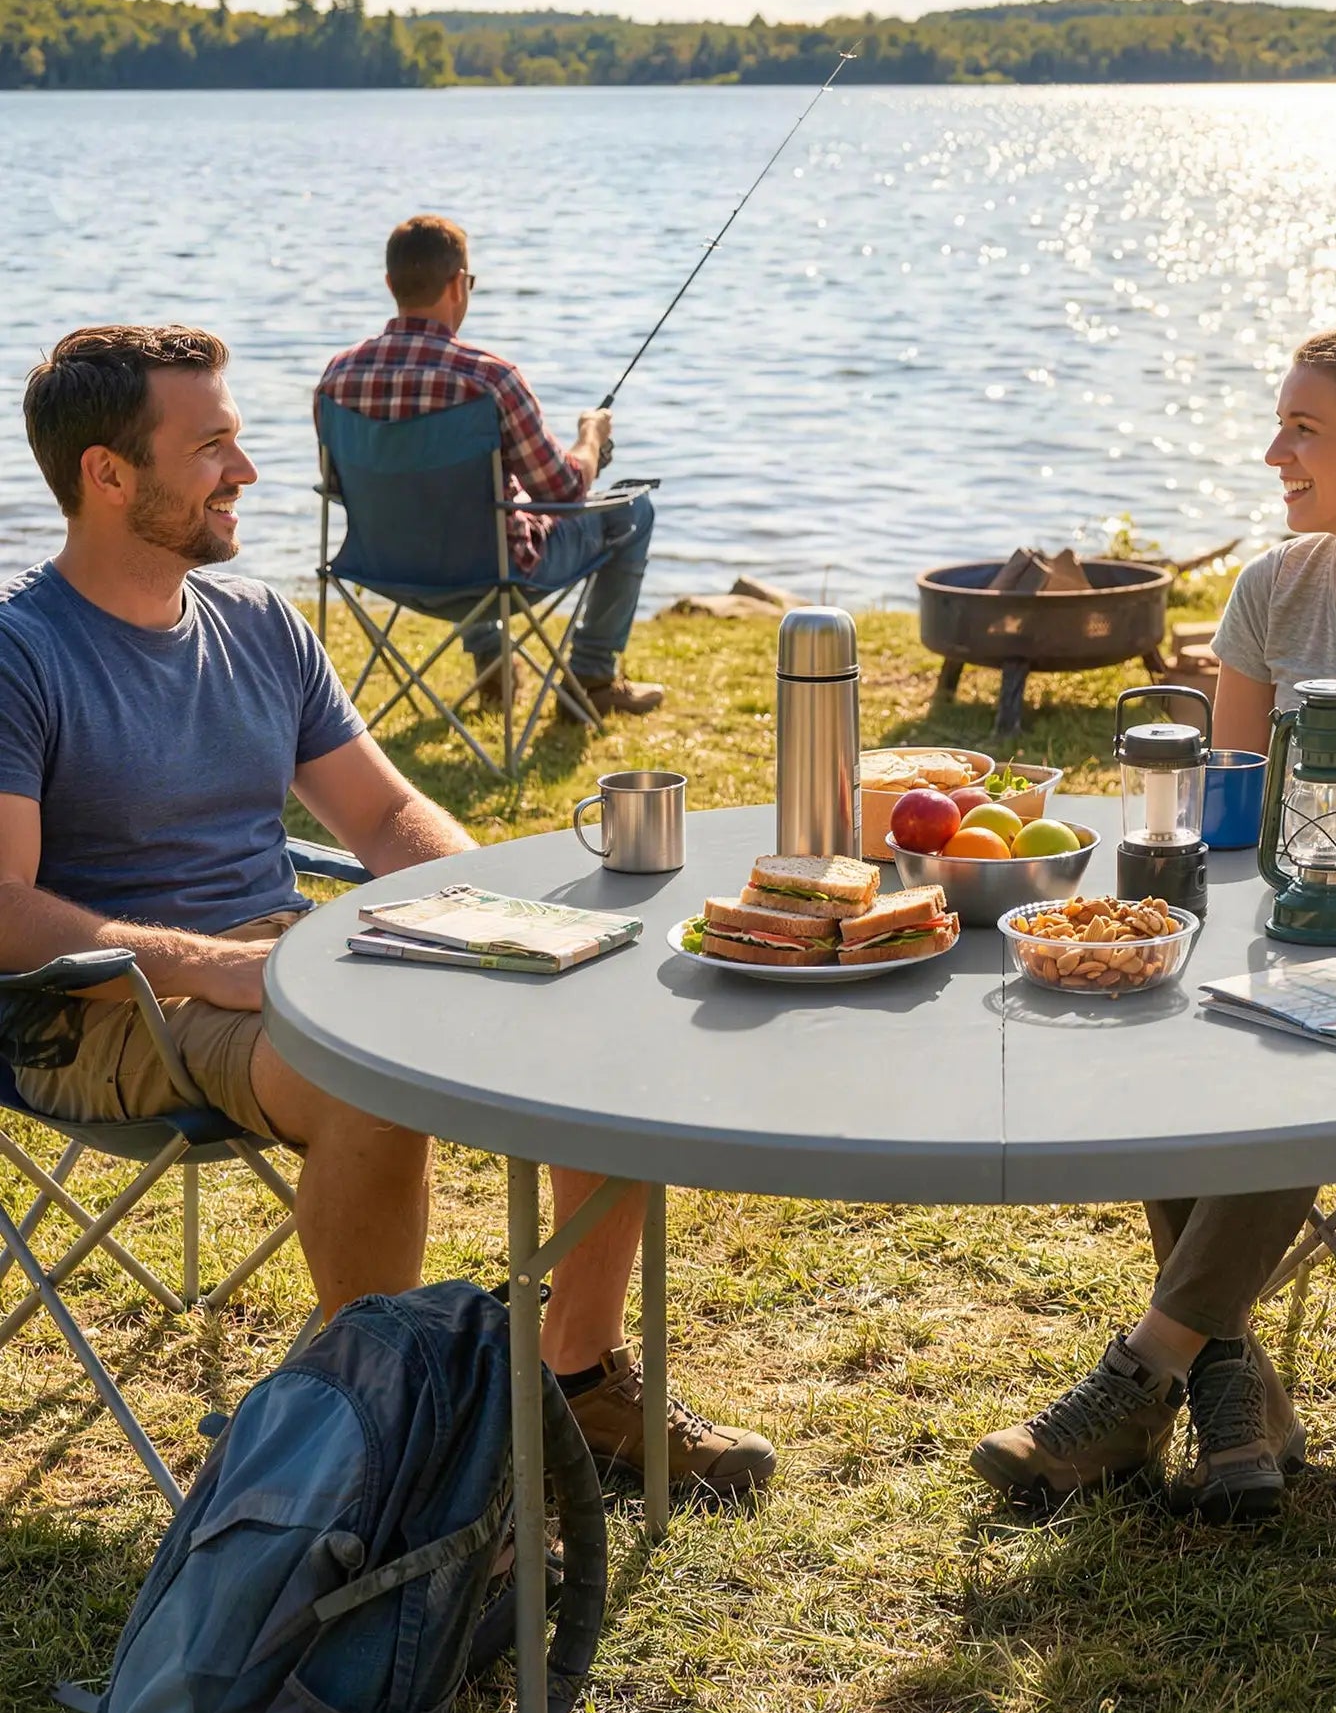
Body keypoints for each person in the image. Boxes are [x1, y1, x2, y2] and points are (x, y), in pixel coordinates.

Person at [0, 325, 770, 1493]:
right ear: (108, 474)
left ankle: (577, 1381)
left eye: (240, 441)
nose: (246, 473)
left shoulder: (258, 624)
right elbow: (4, 909)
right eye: (210, 447)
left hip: (287, 963)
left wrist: (500, 914)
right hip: (101, 1006)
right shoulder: (22, 652)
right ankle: (394, 1440)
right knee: (361, 1063)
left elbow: (385, 817)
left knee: (597, 1014)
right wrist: (207, 961)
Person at [971, 325, 1336, 1522]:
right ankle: (1232, 1384)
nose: (1272, 451)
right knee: (1164, 1009)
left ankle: (1140, 1376)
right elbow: (1227, 816)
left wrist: (1334, 887)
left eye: (1304, 428)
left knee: (1284, 1059)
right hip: (1281, 947)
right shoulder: (1271, 590)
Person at [315, 215, 662, 717]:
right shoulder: (489, 379)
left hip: (380, 567)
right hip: (493, 576)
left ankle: (491, 659)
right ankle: (591, 677)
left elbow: (339, 486)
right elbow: (564, 491)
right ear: (459, 284)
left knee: (467, 506)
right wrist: (591, 436)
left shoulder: (337, 377)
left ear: (390, 284)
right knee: (633, 510)